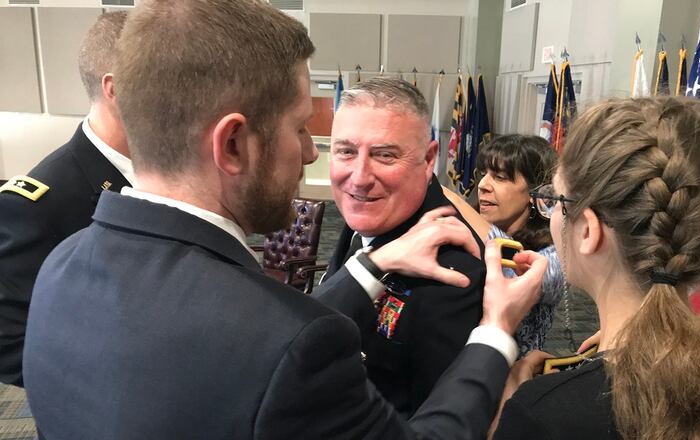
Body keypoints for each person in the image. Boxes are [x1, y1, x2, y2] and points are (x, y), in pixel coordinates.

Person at [22, 1, 547, 439]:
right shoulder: (285, 340)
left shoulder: (60, 267)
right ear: (233, 144)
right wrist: (496, 333)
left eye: (384, 154)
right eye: (300, 129)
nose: (312, 154)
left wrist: (370, 265)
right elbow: (276, 344)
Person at [492, 96, 700, 439]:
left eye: (556, 199)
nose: (551, 212)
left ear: (588, 230)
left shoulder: (546, 416)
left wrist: (511, 410)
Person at [318, 78, 488, 417]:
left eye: (384, 155)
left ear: (428, 160)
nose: (359, 177)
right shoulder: (371, 215)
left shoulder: (451, 269)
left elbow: (435, 421)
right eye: (346, 151)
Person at [0, 11, 131, 387]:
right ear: (116, 89)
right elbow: (9, 345)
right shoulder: (36, 204)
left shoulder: (164, 169)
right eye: (164, 80)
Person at [443, 134, 564, 355]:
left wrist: (453, 200)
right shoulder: (460, 227)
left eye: (499, 177)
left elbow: (522, 267)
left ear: (536, 192)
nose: (482, 185)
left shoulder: (555, 253)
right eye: (483, 174)